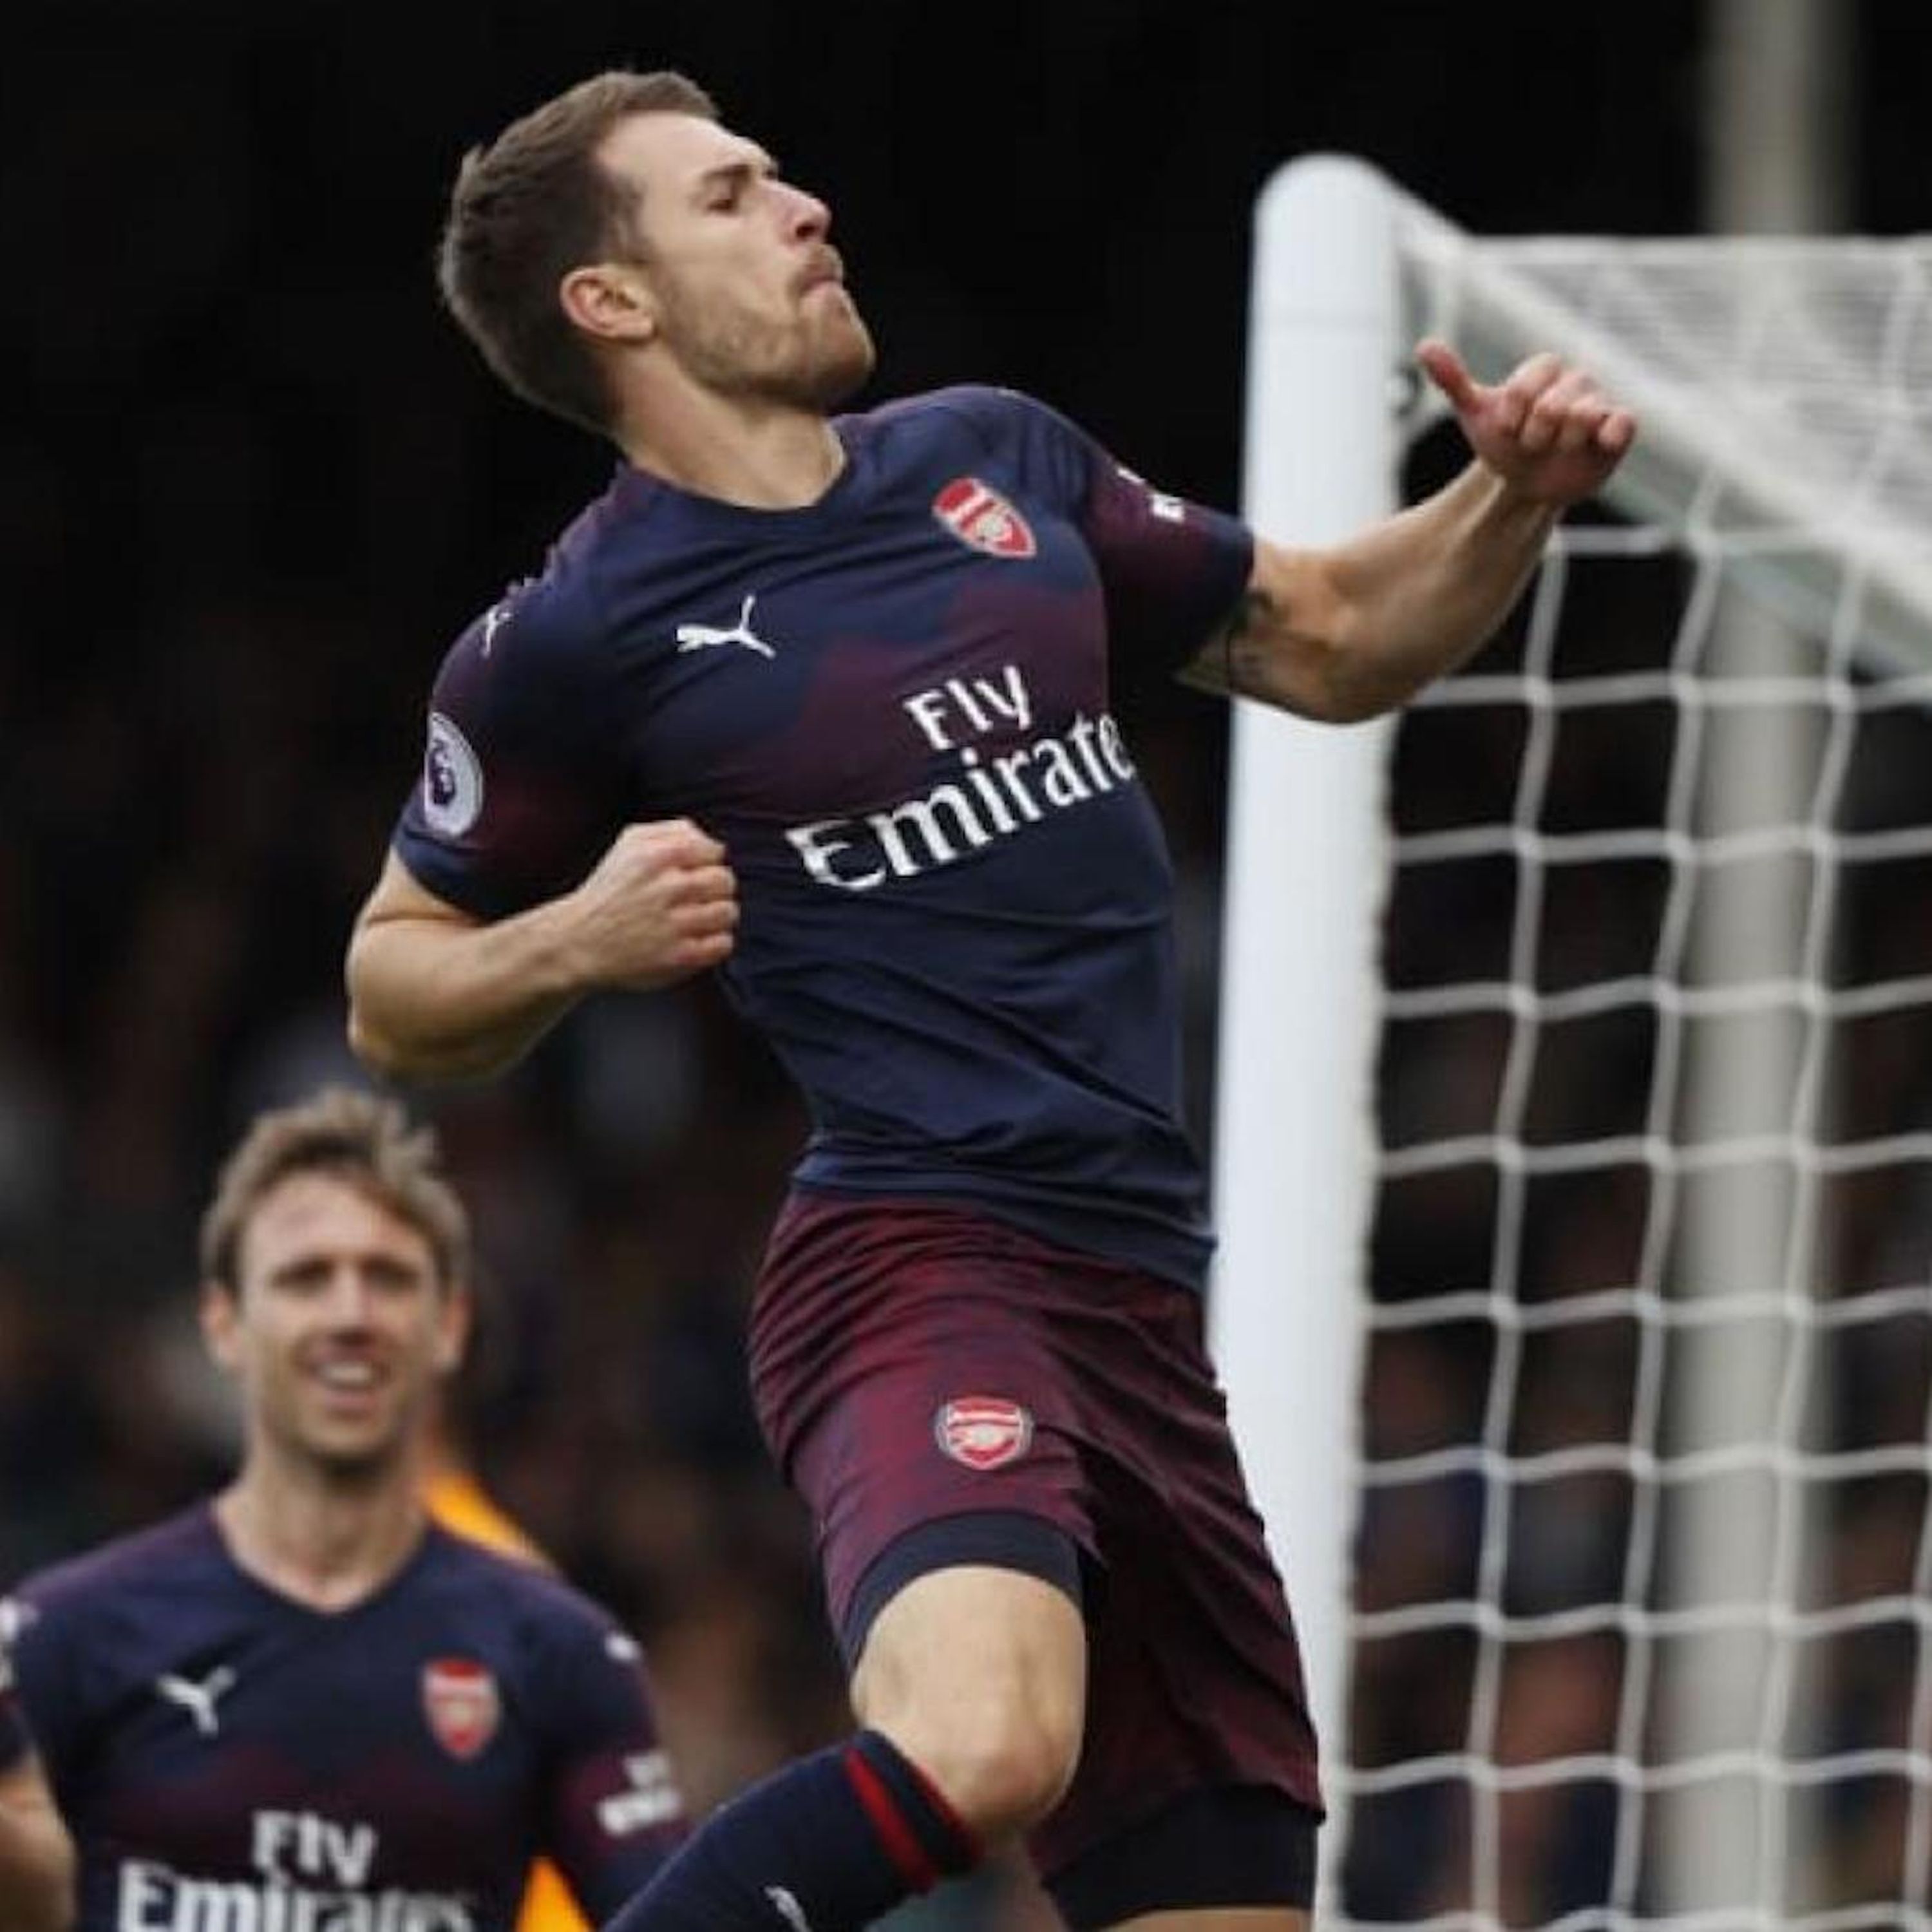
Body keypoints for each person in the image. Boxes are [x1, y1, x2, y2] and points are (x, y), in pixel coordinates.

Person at [344, 70, 1635, 1932]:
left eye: (780, 172)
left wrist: (1507, 497)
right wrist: (574, 941)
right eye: (728, 196)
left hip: (1143, 1309)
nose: (801, 205)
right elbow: (393, 989)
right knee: (984, 1738)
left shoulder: (994, 461)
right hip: (924, 1256)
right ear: (610, 302)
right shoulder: (573, 639)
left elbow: (1336, 638)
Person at [0, 1087, 687, 1931]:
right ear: (223, 1324)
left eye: (389, 1278)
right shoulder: (67, 1636)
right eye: (305, 1277)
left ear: (451, 1325)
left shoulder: (557, 1652)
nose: (351, 1315)